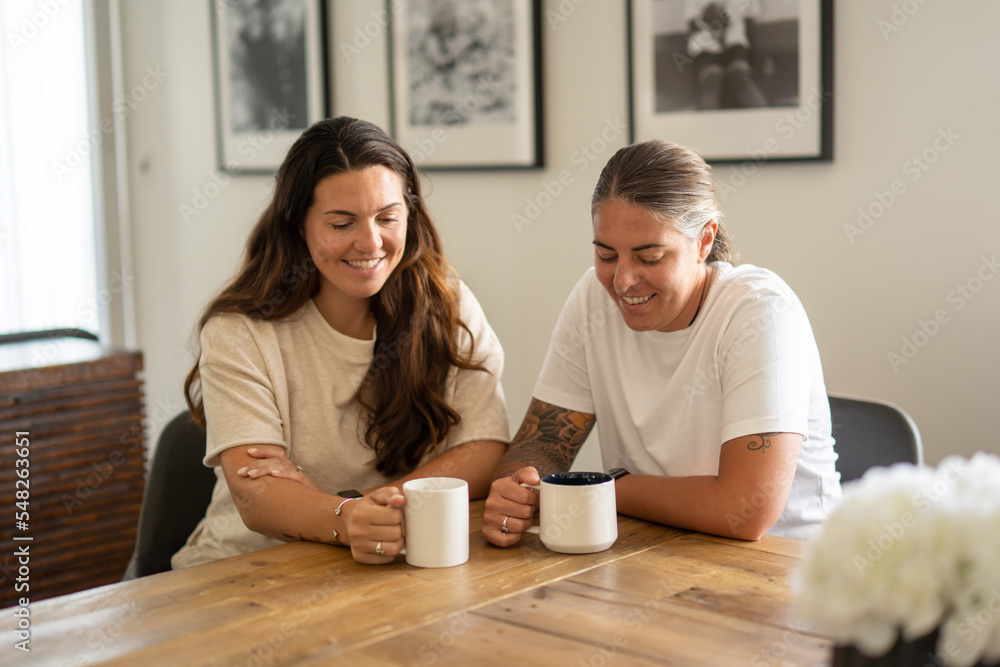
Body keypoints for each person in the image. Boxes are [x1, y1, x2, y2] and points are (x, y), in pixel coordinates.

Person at [172, 117, 510, 568]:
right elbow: (258, 498)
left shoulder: (448, 304)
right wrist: (349, 517)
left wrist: (355, 507)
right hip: (249, 566)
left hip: (385, 559)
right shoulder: (239, 331)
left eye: (387, 218)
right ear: (298, 225)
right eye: (342, 223)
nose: (370, 242)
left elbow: (485, 449)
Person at [483, 139, 841, 546]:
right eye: (606, 255)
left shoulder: (762, 312)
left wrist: (595, 489)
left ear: (704, 241)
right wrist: (518, 487)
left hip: (790, 565)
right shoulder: (593, 299)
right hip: (653, 546)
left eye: (649, 257)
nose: (622, 281)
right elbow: (544, 440)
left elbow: (744, 511)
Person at [685, 0, 768, 109]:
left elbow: (750, 23)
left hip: (735, 44)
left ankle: (764, 117)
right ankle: (706, 119)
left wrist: (757, 57)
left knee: (739, 78)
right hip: (706, 47)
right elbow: (692, 24)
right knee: (712, 79)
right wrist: (712, 29)